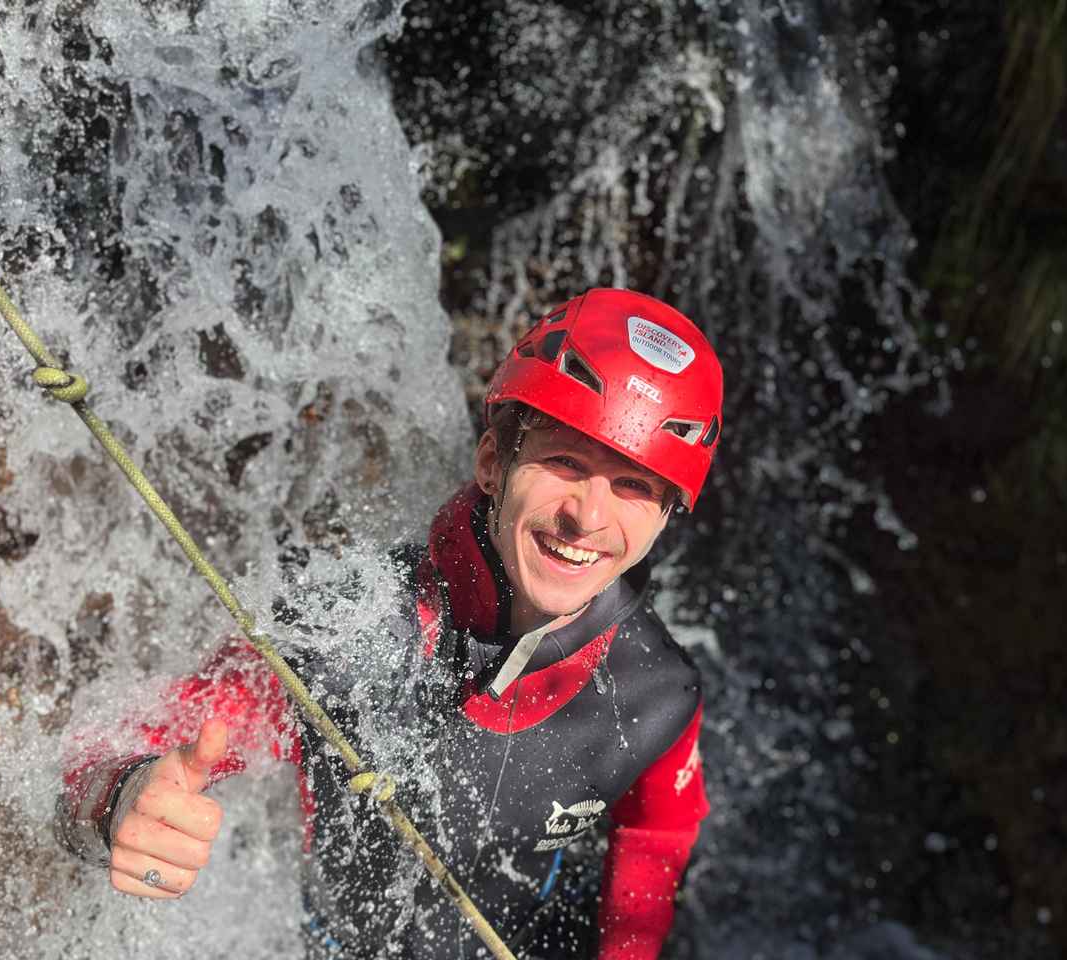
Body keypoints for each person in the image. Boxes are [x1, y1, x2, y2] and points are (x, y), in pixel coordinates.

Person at [54, 287, 725, 958]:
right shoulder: (348, 624)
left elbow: (657, 835)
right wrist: (122, 796)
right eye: (564, 463)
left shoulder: (657, 693)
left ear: (667, 516)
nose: (589, 517)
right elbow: (132, 742)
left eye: (635, 485)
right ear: (493, 463)